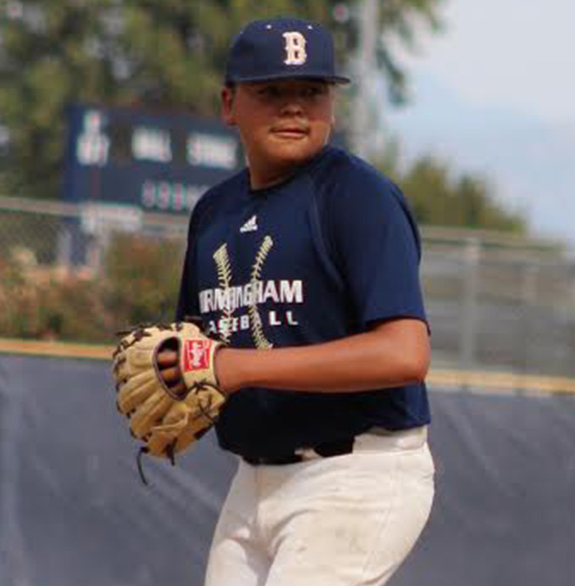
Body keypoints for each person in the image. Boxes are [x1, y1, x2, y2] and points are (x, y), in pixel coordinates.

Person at [167, 16, 435, 586]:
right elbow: (199, 347)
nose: (294, 107)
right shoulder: (214, 213)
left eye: (311, 91)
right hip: (254, 480)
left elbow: (404, 354)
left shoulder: (357, 197)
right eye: (271, 91)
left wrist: (239, 368)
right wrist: (177, 371)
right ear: (228, 103)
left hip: (357, 474)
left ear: (332, 106)